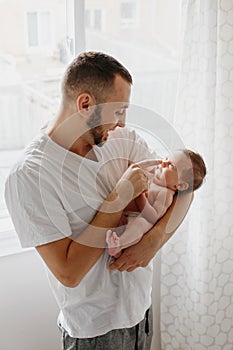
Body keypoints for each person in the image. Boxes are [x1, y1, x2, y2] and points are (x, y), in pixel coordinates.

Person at [5, 52, 193, 350]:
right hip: (96, 332)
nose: (123, 123)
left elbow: (185, 187)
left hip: (141, 312)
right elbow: (69, 272)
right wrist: (118, 199)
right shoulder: (30, 175)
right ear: (85, 105)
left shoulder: (122, 140)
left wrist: (155, 239)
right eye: (118, 111)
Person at [106, 149, 206, 258]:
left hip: (138, 218)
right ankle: (116, 241)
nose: (163, 163)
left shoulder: (165, 194)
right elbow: (135, 169)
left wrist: (141, 198)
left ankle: (118, 246)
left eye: (171, 165)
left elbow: (153, 216)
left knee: (141, 224)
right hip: (125, 212)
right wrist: (152, 162)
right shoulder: (152, 175)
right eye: (166, 158)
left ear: (180, 185)